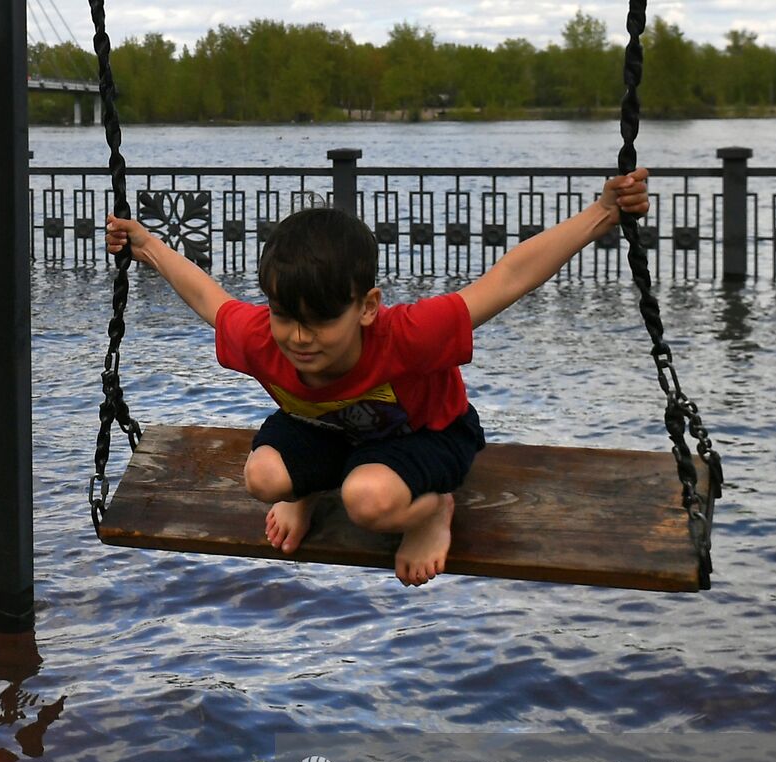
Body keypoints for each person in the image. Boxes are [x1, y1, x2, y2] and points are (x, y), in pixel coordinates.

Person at [104, 169, 650, 586]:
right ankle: (310, 491)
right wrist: (146, 245)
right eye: (286, 316)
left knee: (368, 501)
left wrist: (603, 214)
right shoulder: (262, 335)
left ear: (367, 307)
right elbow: (207, 296)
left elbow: (509, 278)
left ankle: (434, 509)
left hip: (428, 434)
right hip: (329, 432)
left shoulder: (408, 334)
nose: (299, 338)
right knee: (263, 477)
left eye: (321, 321)